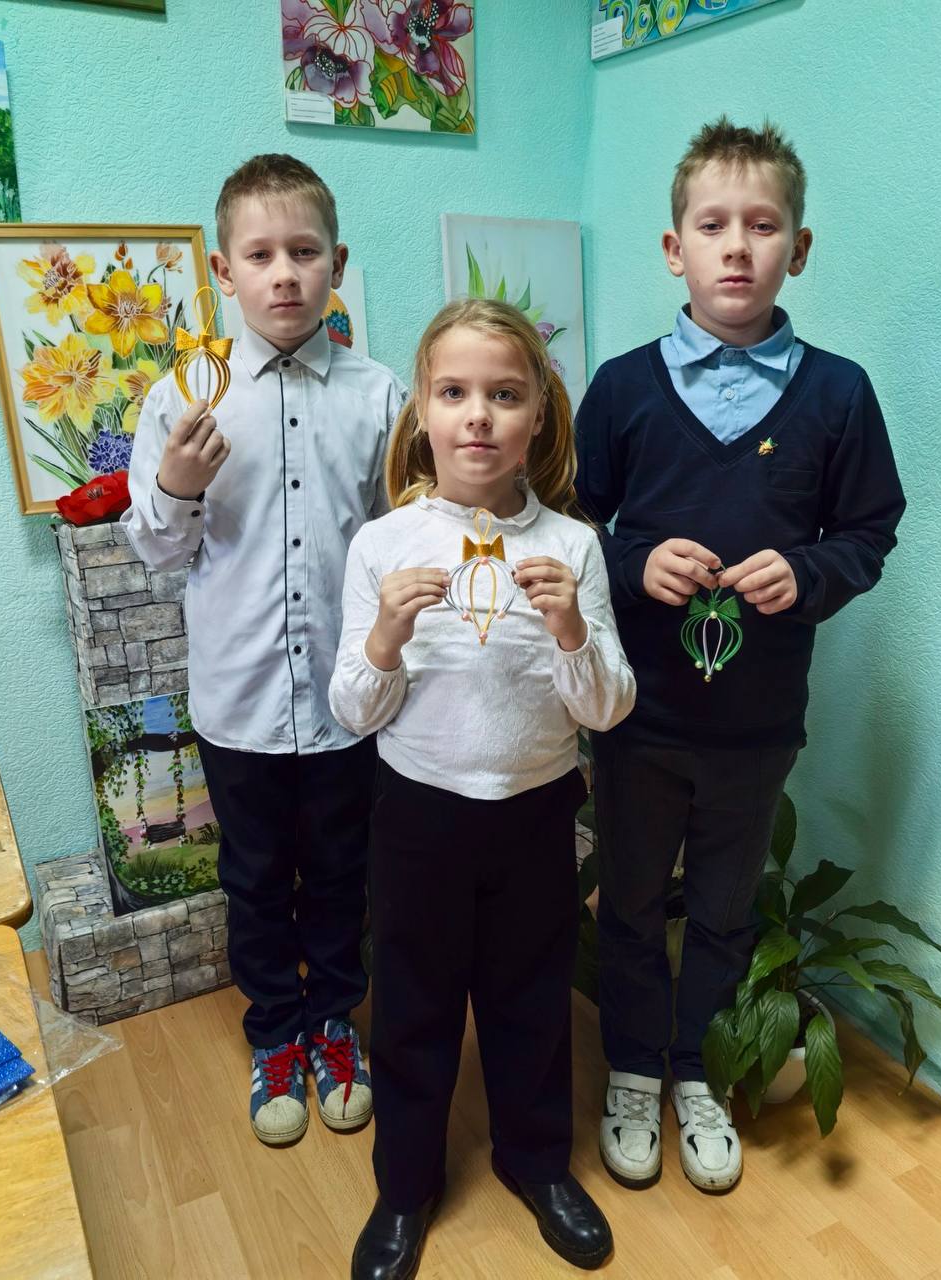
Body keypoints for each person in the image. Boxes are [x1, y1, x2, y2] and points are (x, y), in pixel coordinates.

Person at [574, 117, 905, 1194]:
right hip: (637, 718)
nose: (736, 246)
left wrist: (807, 573)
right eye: (712, 225)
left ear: (797, 250)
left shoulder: (839, 394)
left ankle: (698, 1070)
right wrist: (633, 562)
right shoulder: (622, 389)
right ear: (675, 248)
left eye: (762, 226)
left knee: (722, 908)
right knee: (630, 902)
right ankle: (633, 1065)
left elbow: (869, 531)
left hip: (757, 726)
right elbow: (569, 528)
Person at [329, 298, 635, 1279]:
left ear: (538, 414)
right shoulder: (383, 545)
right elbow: (353, 710)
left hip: (537, 811)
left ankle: (536, 1161)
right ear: (422, 410)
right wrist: (385, 636)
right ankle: (404, 1186)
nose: (478, 415)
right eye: (454, 392)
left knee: (531, 997)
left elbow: (607, 709)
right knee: (412, 1004)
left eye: (504, 395)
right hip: (418, 813)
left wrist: (572, 630)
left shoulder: (574, 547)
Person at [123, 153, 406, 1147]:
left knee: (339, 870)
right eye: (259, 255)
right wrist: (175, 482)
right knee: (252, 877)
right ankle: (275, 1032)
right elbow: (157, 551)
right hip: (238, 701)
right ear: (222, 270)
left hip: (345, 698)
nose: (284, 273)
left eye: (304, 251)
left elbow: (400, 538)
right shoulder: (183, 398)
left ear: (337, 263)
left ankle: (334, 1022)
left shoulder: (380, 396)